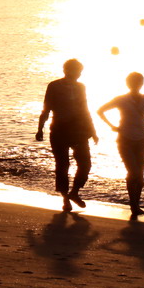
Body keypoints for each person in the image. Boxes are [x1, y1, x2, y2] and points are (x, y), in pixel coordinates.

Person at [35, 59, 98, 212]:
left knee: (85, 164)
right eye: (77, 71)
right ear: (67, 70)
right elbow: (46, 108)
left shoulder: (81, 87)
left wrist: (93, 131)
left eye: (80, 71)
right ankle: (65, 199)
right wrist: (40, 129)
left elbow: (85, 109)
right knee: (62, 165)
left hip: (79, 132)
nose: (79, 74)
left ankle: (74, 192)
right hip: (59, 131)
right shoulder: (54, 86)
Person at [97, 72, 144, 219]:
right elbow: (101, 110)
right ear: (128, 84)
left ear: (142, 83)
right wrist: (112, 126)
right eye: (133, 82)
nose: (136, 84)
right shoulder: (121, 99)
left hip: (143, 139)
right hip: (125, 139)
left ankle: (136, 205)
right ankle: (133, 205)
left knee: (140, 174)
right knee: (133, 172)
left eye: (139, 82)